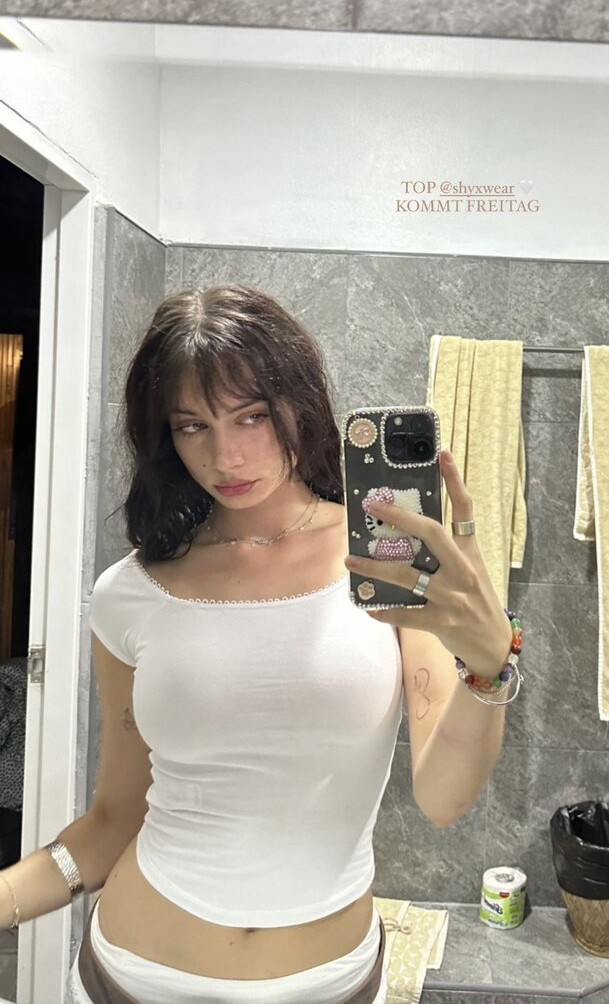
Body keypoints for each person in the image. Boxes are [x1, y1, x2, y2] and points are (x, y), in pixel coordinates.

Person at [0, 285, 521, 1004]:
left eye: (252, 416)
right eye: (192, 426)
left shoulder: (389, 569)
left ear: (299, 406)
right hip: (133, 976)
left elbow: (442, 798)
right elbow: (115, 819)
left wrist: (490, 665)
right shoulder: (131, 592)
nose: (226, 455)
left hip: (331, 983)